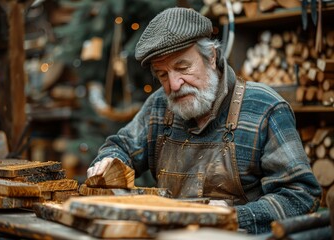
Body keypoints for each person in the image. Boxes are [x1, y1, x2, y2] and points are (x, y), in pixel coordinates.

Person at [87, 7, 322, 234]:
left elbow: (300, 194)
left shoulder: (265, 108)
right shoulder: (160, 105)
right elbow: (121, 147)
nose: (174, 84)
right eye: (162, 75)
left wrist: (235, 216)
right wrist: (110, 161)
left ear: (211, 57)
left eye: (183, 67)